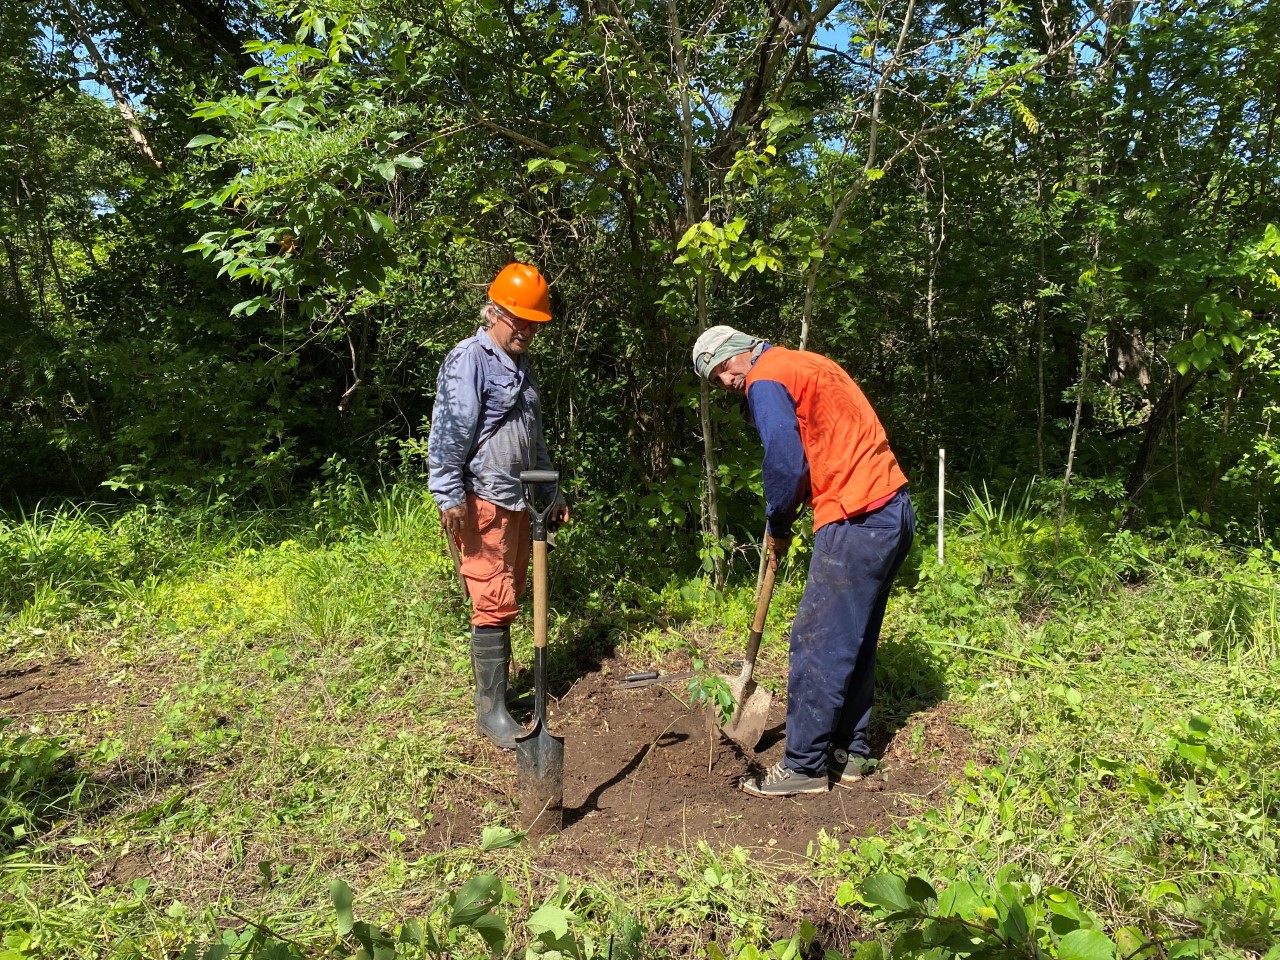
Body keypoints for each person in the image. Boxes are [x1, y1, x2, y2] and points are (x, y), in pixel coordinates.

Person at [692, 325, 914, 797]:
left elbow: (786, 461)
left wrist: (778, 522)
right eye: (716, 381)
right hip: (893, 509)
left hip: (857, 517)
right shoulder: (807, 363)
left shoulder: (764, 378)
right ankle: (847, 753)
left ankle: (804, 765)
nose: (726, 382)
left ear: (737, 352)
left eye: (720, 371)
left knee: (816, 640)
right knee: (854, 639)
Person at [429, 262, 569, 749]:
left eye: (534, 323)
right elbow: (448, 431)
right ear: (493, 312)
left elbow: (536, 440)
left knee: (509, 596)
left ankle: (504, 695)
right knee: (491, 598)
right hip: (481, 500)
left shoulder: (523, 366)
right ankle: (491, 712)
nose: (527, 330)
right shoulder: (469, 359)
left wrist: (552, 492)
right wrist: (449, 494)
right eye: (519, 320)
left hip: (519, 501)